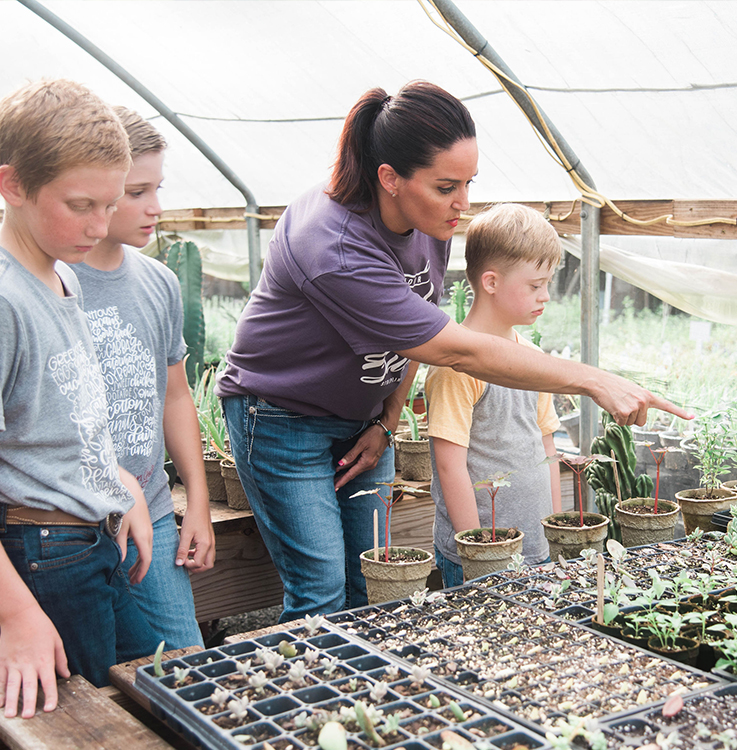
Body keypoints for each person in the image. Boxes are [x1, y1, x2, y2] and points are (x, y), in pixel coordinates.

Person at [216, 80, 689, 623]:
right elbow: (455, 349)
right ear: (389, 179)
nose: (462, 204)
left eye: (469, 183)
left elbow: (419, 325)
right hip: (281, 418)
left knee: (370, 580)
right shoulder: (333, 244)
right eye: (447, 186)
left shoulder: (429, 219)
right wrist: (590, 378)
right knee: (321, 592)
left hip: (361, 421)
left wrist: (387, 422)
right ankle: (311, 701)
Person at [0, 79, 161, 719]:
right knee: (71, 722)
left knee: (109, 702)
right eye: (80, 205)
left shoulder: (60, 271)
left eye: (110, 204)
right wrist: (17, 617)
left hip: (91, 538)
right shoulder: (6, 300)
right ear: (12, 185)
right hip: (42, 558)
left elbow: (61, 415)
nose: (99, 227)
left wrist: (116, 482)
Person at [71, 107, 215, 649]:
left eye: (157, 188)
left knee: (184, 664)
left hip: (153, 512)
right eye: (136, 192)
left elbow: (175, 397)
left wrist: (195, 502)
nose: (155, 208)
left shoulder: (158, 283)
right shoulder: (52, 281)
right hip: (73, 527)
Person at [426, 203, 564, 587]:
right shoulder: (457, 367)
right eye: (536, 285)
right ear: (491, 282)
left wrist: (553, 530)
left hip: (536, 548)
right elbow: (450, 466)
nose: (546, 296)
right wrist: (478, 553)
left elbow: (547, 449)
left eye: (548, 284)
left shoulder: (535, 360)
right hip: (480, 556)